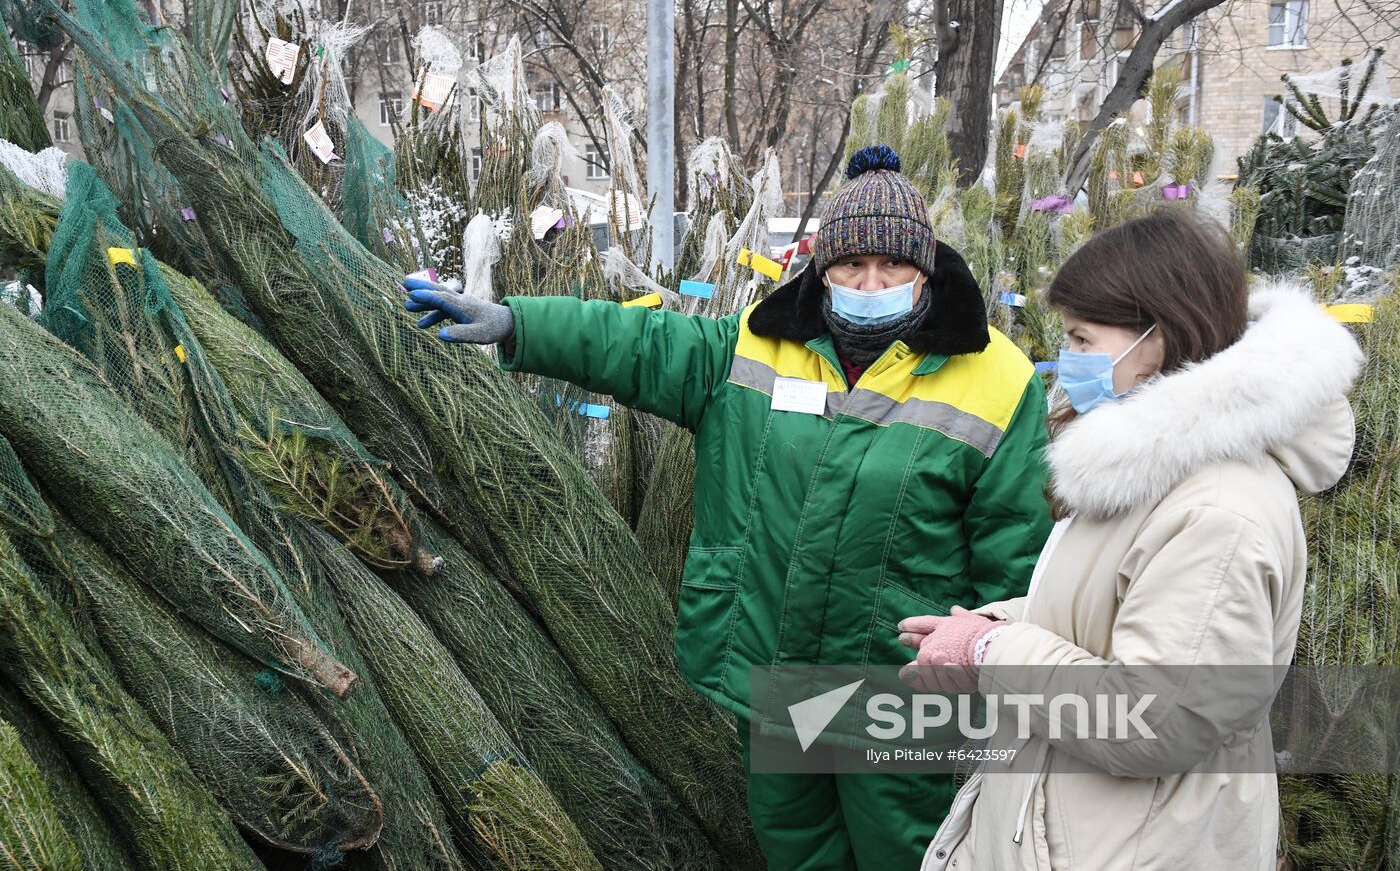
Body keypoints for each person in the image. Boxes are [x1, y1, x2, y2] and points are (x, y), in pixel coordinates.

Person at [403, 144, 1054, 870]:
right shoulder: (759, 344)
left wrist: (998, 664)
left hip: (896, 684)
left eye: (892, 266)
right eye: (851, 265)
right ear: (823, 269)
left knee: (906, 850)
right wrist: (516, 323)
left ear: (925, 269)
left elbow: (1013, 547)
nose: (871, 283)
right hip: (775, 669)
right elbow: (637, 344)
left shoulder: (997, 379)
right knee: (796, 848)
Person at [898, 211, 1363, 871]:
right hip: (1074, 826)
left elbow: (1157, 718)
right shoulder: (1148, 471)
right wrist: (994, 626)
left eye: (1083, 338)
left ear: (1158, 337)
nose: (1069, 358)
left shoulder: (1216, 510)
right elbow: (1117, 612)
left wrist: (991, 651)